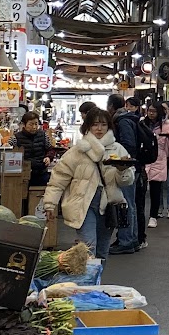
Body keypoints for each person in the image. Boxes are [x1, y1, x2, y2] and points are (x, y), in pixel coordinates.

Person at [42, 108, 117, 260]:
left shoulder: (117, 150)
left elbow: (126, 181)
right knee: (87, 249)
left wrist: (124, 171)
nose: (99, 128)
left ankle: (96, 282)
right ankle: (88, 284)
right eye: (95, 124)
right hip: (83, 204)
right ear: (87, 127)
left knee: (102, 251)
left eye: (103, 124)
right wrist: (50, 204)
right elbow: (58, 179)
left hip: (107, 205)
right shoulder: (76, 152)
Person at [108, 94, 145, 253]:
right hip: (134, 167)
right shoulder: (129, 118)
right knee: (131, 204)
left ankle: (126, 241)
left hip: (127, 167)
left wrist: (119, 159)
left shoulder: (122, 121)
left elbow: (128, 145)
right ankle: (133, 239)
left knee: (126, 204)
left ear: (111, 106)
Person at [146, 105, 169, 228]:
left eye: (154, 111)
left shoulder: (165, 125)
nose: (151, 113)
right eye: (149, 111)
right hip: (144, 158)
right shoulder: (143, 123)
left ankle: (153, 216)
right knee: (141, 190)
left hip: (159, 159)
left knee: (156, 190)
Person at [11, 111, 51, 188]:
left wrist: (48, 157)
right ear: (24, 124)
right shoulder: (15, 138)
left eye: (36, 124)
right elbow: (8, 151)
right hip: (22, 176)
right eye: (31, 124)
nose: (34, 127)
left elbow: (50, 149)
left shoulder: (43, 135)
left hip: (41, 173)